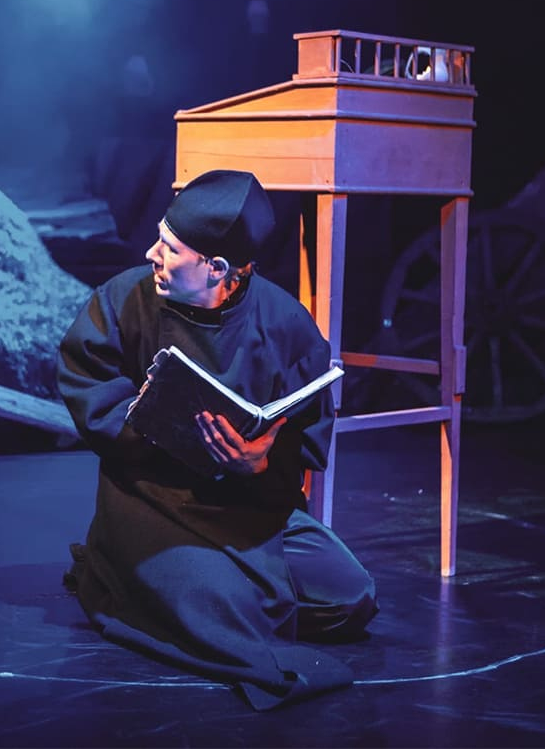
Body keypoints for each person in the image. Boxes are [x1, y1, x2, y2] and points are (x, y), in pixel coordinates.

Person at [57, 169, 378, 710]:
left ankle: (186, 590)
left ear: (218, 268)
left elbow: (303, 438)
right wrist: (154, 424)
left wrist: (257, 464)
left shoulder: (284, 323)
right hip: (153, 502)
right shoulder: (124, 300)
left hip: (248, 508)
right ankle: (120, 570)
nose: (152, 254)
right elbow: (90, 387)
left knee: (350, 597)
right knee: (223, 613)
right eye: (159, 238)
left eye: (170, 248)